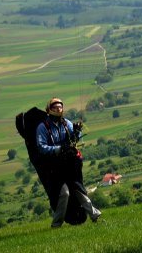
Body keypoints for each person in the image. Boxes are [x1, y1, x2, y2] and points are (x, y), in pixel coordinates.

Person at [36, 97, 101, 228]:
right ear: (49, 110)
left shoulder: (67, 124)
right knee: (64, 193)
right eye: (55, 108)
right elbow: (41, 147)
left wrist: (77, 131)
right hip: (54, 167)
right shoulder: (43, 127)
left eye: (60, 107)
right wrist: (59, 148)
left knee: (78, 189)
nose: (58, 110)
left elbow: (74, 139)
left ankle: (94, 215)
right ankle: (56, 224)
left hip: (70, 164)